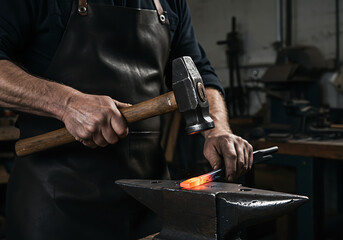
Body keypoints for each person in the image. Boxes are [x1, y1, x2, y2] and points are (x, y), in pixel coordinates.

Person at [0, 0, 253, 239]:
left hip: (148, 204)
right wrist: (66, 104)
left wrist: (217, 129)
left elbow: (201, 74)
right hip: (55, 205)